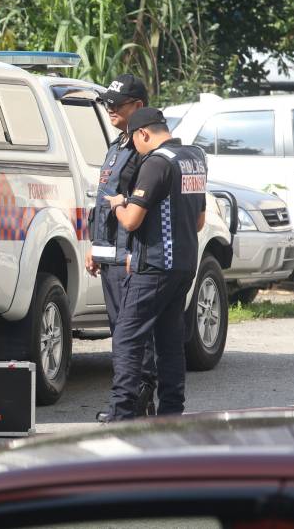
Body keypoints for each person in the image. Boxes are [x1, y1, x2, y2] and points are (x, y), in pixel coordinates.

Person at [103, 107, 208, 421]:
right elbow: (200, 221)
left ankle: (122, 413)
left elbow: (133, 221)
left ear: (143, 134)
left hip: (156, 265)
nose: (136, 150)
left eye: (135, 143)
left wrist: (118, 205)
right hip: (185, 263)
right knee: (169, 338)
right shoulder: (194, 158)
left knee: (126, 336)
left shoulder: (156, 163)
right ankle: (172, 412)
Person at [85, 74, 158, 422]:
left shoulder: (145, 154)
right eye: (107, 104)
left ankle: (134, 400)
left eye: (117, 105)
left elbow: (139, 208)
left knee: (132, 334)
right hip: (109, 253)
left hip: (130, 256)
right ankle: (134, 401)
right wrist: (94, 245)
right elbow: (104, 203)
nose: (110, 109)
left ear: (138, 107)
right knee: (121, 331)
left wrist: (131, 252)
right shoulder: (117, 147)